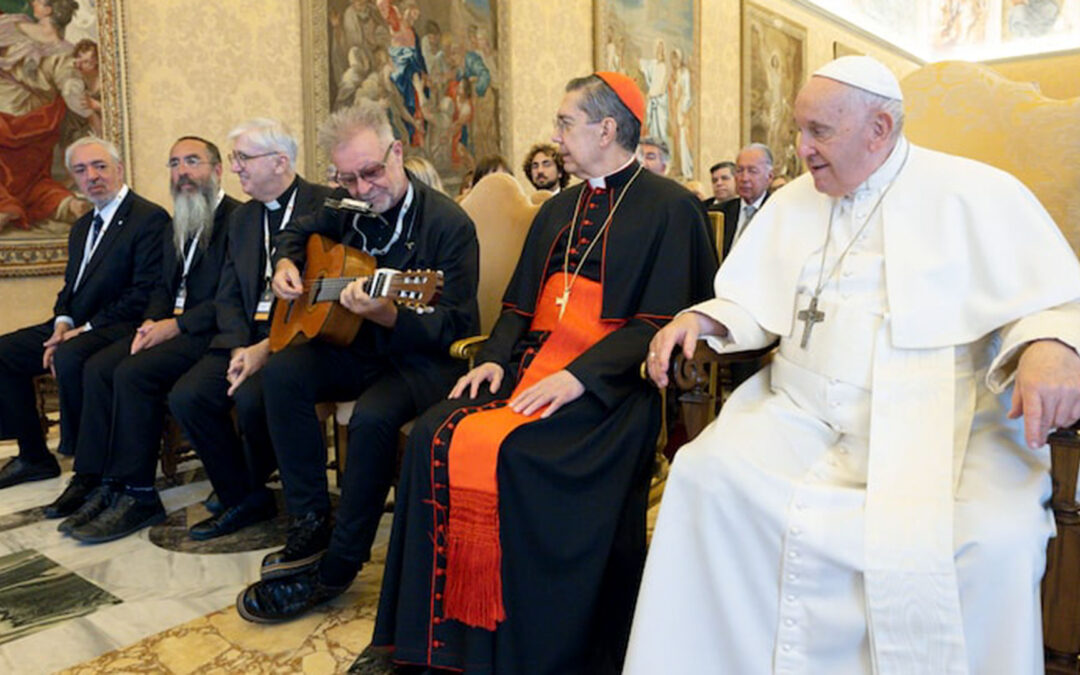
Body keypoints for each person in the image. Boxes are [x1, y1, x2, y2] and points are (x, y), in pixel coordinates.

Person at [627, 56, 1080, 674]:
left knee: (994, 543)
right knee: (704, 476)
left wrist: (1052, 346)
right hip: (800, 412)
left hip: (944, 419)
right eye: (798, 129)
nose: (801, 148)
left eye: (819, 131)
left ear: (880, 129)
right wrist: (702, 320)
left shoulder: (978, 192)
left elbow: (1052, 300)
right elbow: (752, 298)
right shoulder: (793, 202)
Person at [355, 71, 716, 675]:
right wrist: (494, 357)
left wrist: (581, 376)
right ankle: (427, 642)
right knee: (431, 435)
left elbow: (660, 320)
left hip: (611, 388)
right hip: (528, 370)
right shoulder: (559, 208)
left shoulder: (671, 207)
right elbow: (519, 305)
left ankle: (522, 648)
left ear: (607, 128)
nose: (555, 137)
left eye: (565, 123)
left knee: (522, 457)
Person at [234, 99, 480, 623]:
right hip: (356, 347)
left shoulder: (448, 224)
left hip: (422, 359)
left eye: (371, 172)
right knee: (282, 372)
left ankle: (338, 568)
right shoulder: (344, 205)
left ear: (397, 152)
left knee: (371, 417)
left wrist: (390, 315)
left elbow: (456, 324)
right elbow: (296, 229)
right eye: (347, 179)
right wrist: (285, 261)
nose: (363, 189)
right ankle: (309, 520)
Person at [42, 137, 240, 542]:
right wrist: (152, 321)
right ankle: (105, 482)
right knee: (99, 366)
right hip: (172, 326)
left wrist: (173, 327)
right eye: (173, 163)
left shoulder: (239, 220)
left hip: (212, 330)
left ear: (217, 170)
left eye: (192, 161)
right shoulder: (179, 218)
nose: (182, 172)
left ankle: (139, 494)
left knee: (132, 373)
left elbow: (231, 297)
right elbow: (161, 289)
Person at [168, 119, 333, 540]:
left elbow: (325, 295)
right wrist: (241, 345)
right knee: (188, 396)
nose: (235, 168)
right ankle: (243, 496)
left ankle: (253, 488)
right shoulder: (243, 219)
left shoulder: (326, 205)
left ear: (280, 162)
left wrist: (265, 348)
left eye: (243, 158)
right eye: (235, 159)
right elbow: (227, 293)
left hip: (298, 339)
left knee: (254, 396)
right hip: (244, 338)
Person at [0, 136, 168, 488]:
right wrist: (62, 323)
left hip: (120, 325)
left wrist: (83, 329)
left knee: (73, 355)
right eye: (81, 170)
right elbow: (70, 289)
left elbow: (143, 294)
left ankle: (85, 464)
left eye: (100, 166)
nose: (91, 176)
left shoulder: (148, 218)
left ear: (119, 170)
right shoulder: (81, 227)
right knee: (4, 353)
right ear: (73, 179)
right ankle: (33, 456)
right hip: (77, 325)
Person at [0, 0, 94, 231]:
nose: (32, 1)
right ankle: (65, 205)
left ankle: (6, 207)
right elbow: (72, 91)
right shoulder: (65, 52)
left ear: (48, 9)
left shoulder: (10, 26)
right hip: (36, 126)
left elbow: (73, 92)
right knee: (32, 183)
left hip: (17, 123)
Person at [716, 142, 774, 258]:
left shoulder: (778, 213)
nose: (744, 178)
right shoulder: (719, 213)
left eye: (752, 171)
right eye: (739, 171)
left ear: (769, 177)